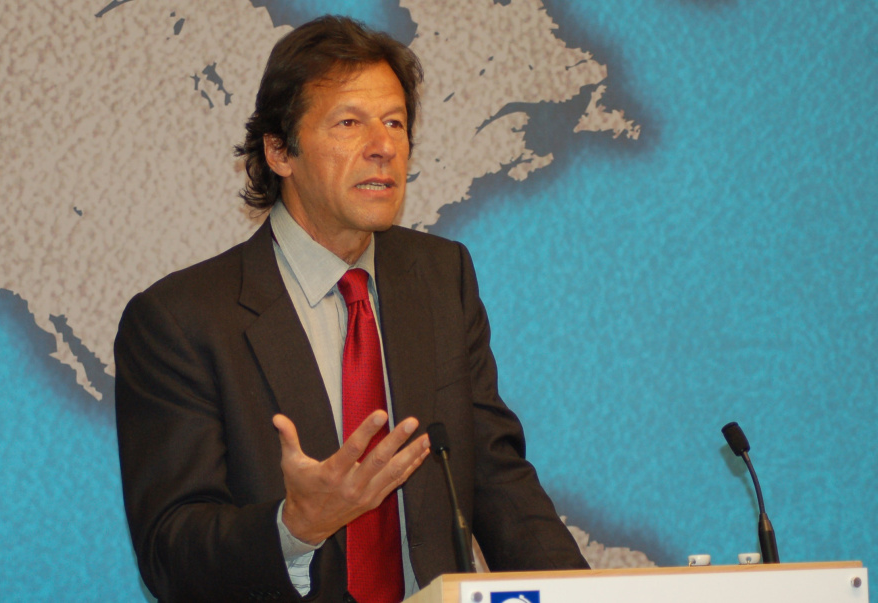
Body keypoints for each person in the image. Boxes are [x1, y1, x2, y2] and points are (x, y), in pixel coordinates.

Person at [114, 15, 588, 603]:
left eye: (395, 122)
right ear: (279, 151)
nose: (384, 147)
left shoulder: (441, 277)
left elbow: (497, 479)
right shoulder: (181, 321)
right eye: (349, 122)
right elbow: (170, 553)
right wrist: (296, 527)